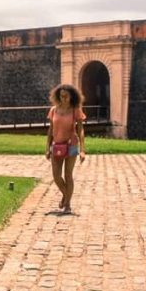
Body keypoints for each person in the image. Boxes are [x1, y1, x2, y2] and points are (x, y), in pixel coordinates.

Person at [45, 83, 87, 215]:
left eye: (66, 96)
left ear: (71, 96)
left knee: (68, 175)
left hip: (71, 146)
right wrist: (47, 148)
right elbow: (51, 130)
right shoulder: (53, 110)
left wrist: (82, 149)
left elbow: (80, 130)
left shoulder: (76, 110)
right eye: (61, 96)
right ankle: (65, 195)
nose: (63, 98)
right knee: (56, 176)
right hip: (56, 146)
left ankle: (67, 204)